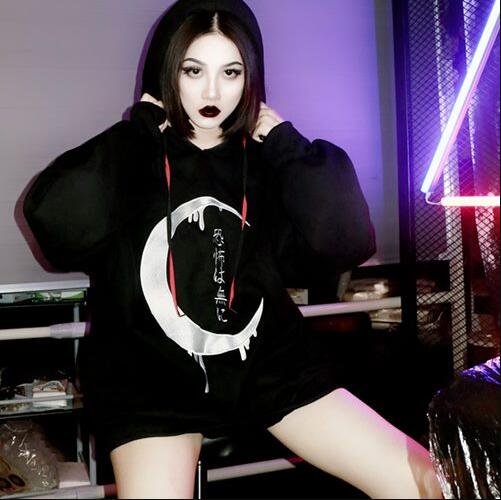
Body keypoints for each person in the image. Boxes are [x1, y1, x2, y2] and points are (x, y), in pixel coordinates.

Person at [23, 0, 443, 498]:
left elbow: (345, 239)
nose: (212, 92)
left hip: (267, 367)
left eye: (231, 72)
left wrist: (284, 141)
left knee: (426, 482)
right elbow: (53, 221)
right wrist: (136, 133)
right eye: (193, 71)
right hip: (151, 379)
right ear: (168, 71)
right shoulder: (132, 156)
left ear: (251, 78)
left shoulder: (266, 160)